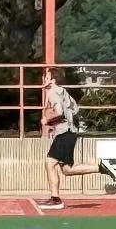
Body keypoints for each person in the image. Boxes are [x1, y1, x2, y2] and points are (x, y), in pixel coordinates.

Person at [40, 68, 88, 210]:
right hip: (69, 132)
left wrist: (48, 121)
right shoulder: (63, 92)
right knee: (67, 169)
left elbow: (60, 113)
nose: (44, 79)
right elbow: (75, 110)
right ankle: (100, 167)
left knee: (49, 163)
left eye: (46, 77)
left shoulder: (52, 92)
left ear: (52, 80)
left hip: (64, 133)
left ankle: (55, 199)